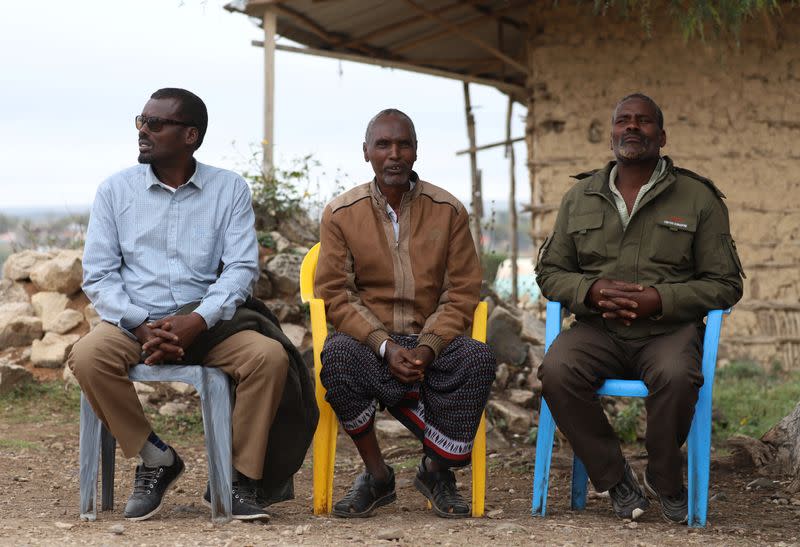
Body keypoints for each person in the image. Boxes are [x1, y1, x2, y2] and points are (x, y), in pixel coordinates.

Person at [68, 88, 308, 522]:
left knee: (270, 357)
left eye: (156, 124)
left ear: (190, 135)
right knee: (87, 356)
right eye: (141, 121)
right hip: (133, 324)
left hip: (209, 324)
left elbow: (240, 269)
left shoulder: (228, 189)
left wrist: (198, 320)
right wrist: (142, 326)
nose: (143, 130)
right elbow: (99, 275)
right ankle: (156, 457)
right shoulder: (115, 191)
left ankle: (234, 479)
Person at [536, 93, 745, 524]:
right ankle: (616, 479)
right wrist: (590, 291)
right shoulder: (580, 196)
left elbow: (725, 284)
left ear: (661, 136)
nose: (632, 127)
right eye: (623, 121)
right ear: (612, 133)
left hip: (668, 331)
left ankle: (665, 479)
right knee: (556, 371)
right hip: (599, 331)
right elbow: (551, 272)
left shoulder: (697, 198)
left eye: (644, 121)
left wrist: (660, 300)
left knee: (676, 376)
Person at [315, 109, 496, 519]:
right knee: (339, 355)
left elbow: (462, 290)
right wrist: (384, 345)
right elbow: (337, 295)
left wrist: (429, 347)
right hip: (372, 343)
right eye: (383, 145)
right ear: (366, 153)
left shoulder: (448, 210)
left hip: (432, 342)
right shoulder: (341, 213)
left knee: (478, 357)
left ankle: (435, 471)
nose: (394, 154)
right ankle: (377, 475)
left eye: (404, 144)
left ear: (416, 152)